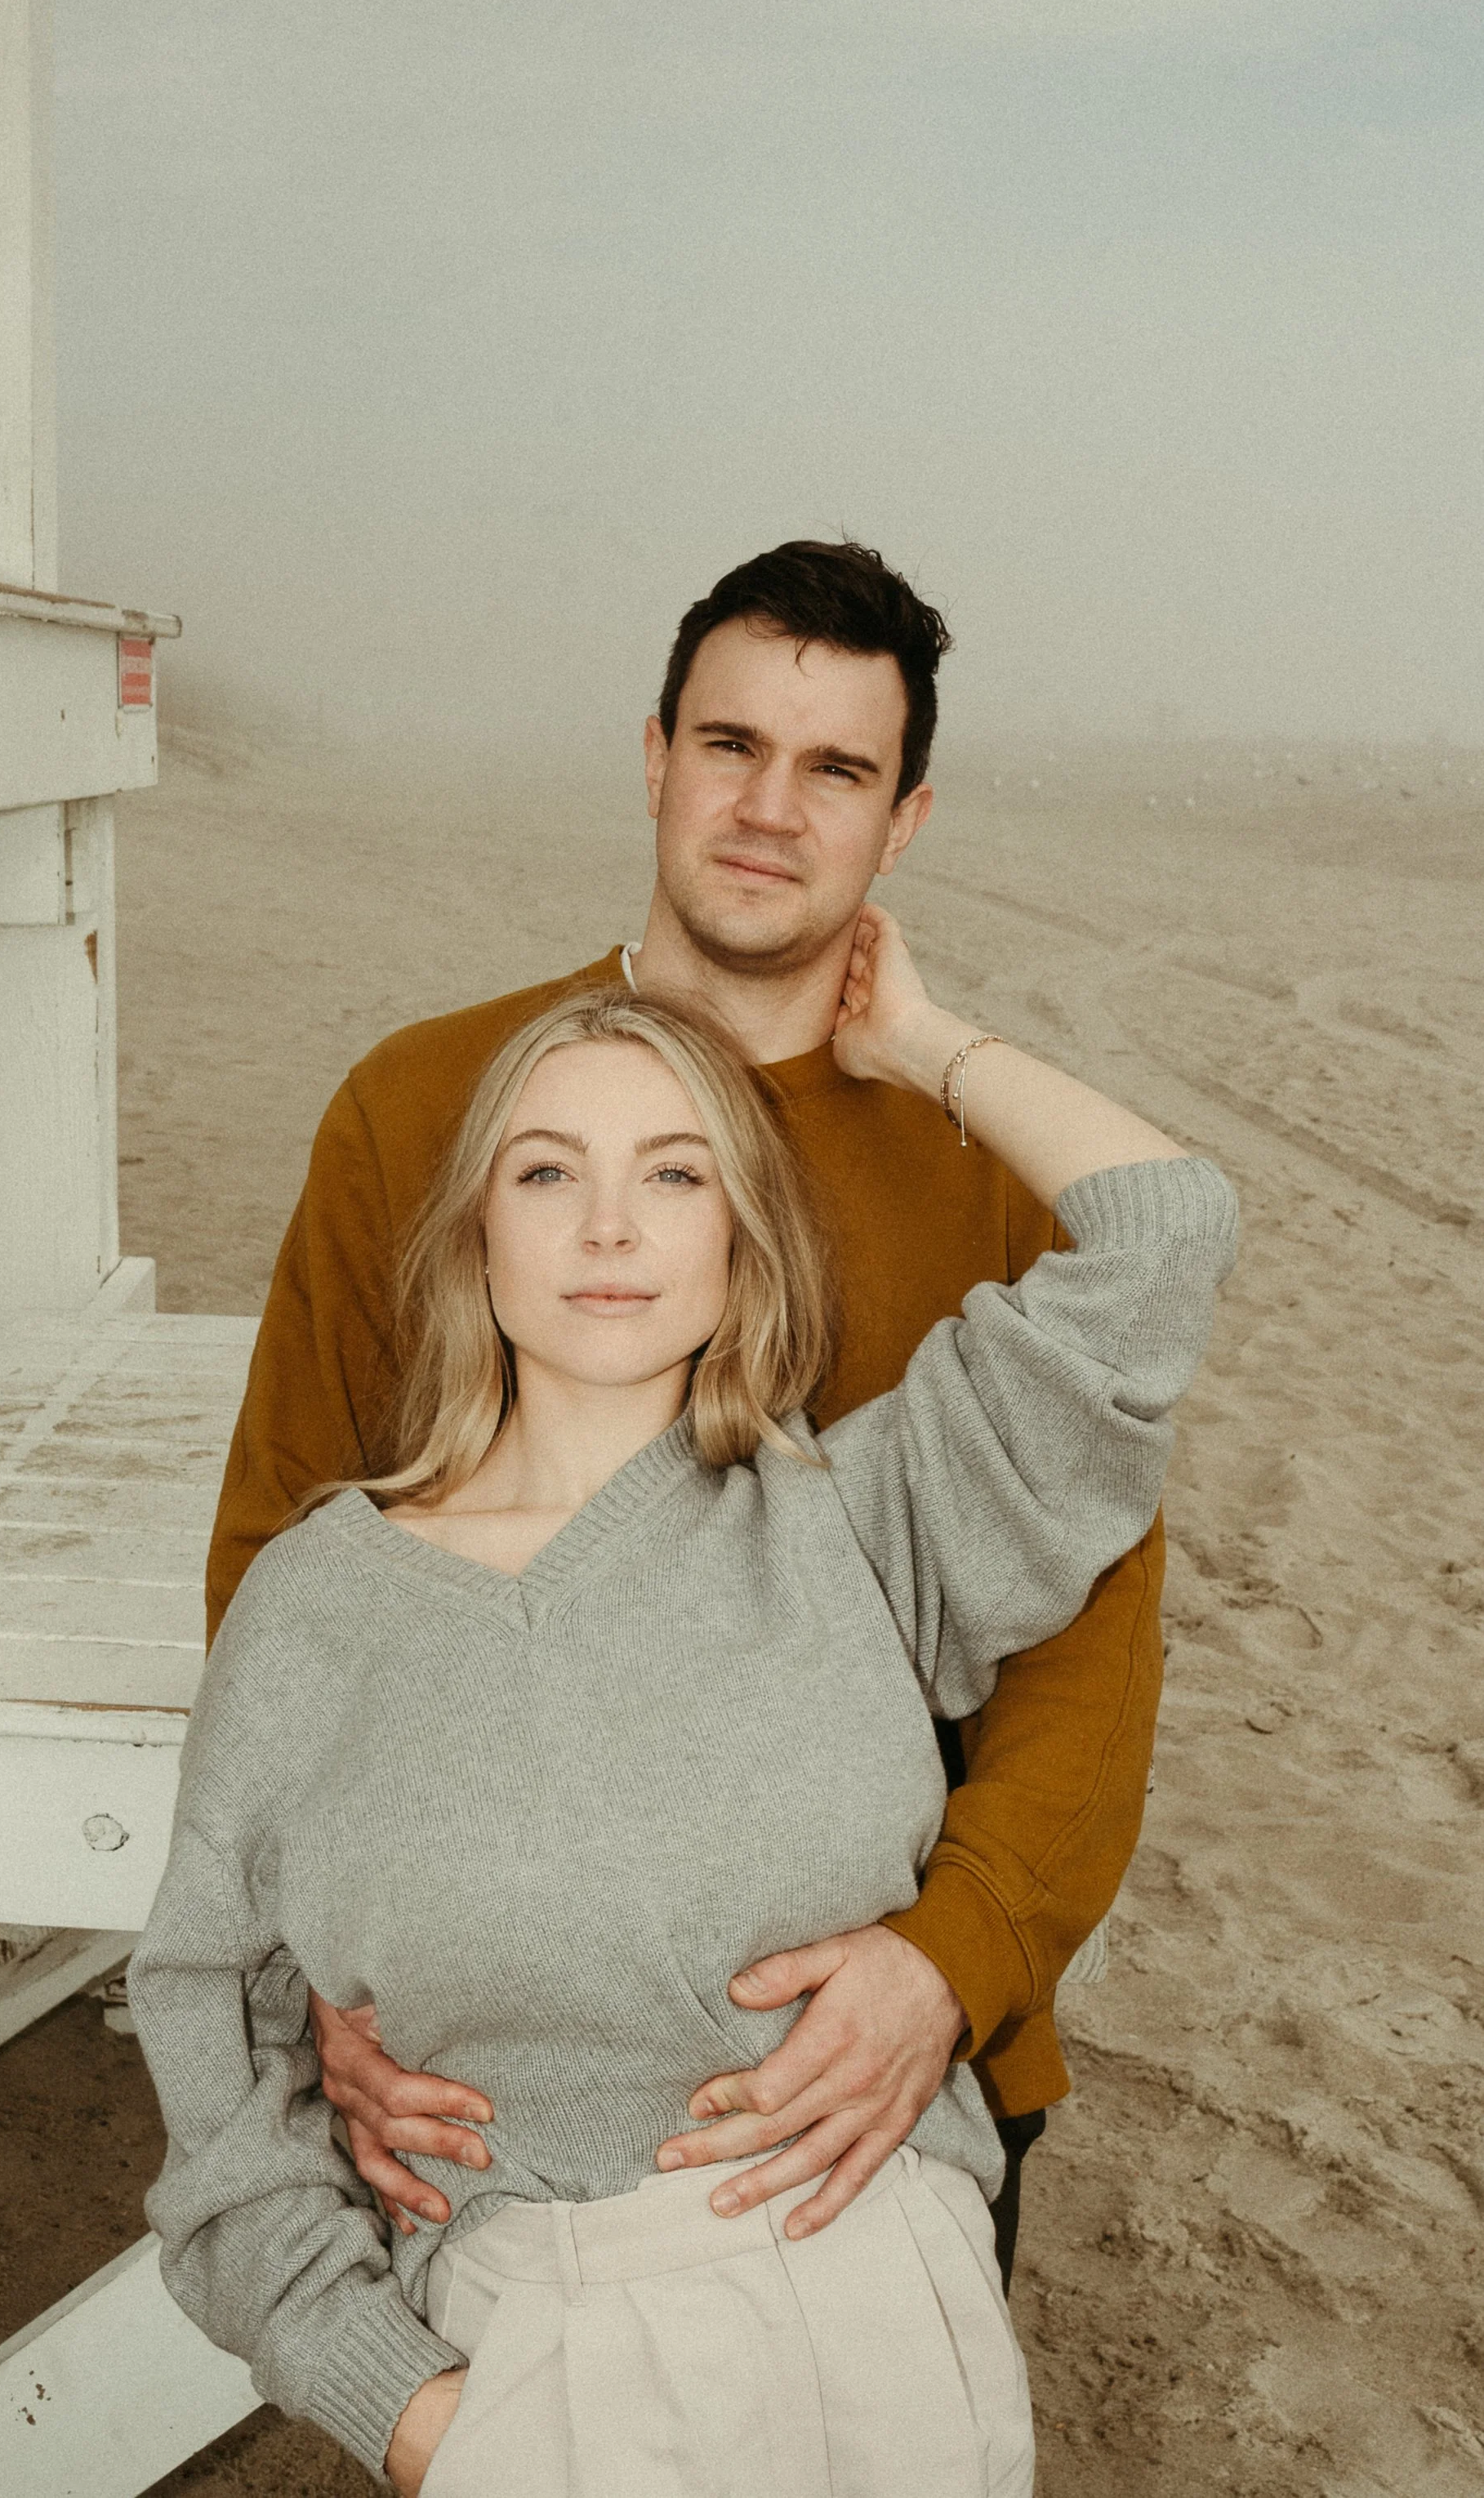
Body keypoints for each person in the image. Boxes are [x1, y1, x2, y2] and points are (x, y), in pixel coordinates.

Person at [133, 942, 1237, 2493]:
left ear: (740, 1240)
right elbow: (212, 2048)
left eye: (673, 1172)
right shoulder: (319, 1606)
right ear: (476, 1238)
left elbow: (1167, 1226)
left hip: (889, 2324)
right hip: (538, 2360)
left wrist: (918, 1039)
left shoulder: (857, 1517)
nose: (607, 1226)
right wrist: (405, 2405)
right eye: (545, 1171)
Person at [205, 538, 1165, 2279]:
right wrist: (308, 1977)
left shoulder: (990, 1180)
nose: (769, 808)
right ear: (653, 759)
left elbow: (1084, 1642)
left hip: (862, 2050)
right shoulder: (419, 1105)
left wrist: (948, 1962)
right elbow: (281, 1552)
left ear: (904, 819)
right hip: (488, 2049)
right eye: (728, 746)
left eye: (835, 770)